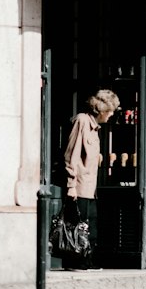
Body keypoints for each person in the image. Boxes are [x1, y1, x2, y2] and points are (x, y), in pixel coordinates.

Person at [62, 88, 120, 269]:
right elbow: (71, 154)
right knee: (78, 227)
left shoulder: (95, 128)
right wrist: (71, 185)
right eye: (110, 111)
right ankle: (76, 261)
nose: (111, 115)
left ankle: (86, 261)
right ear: (101, 110)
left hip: (90, 187)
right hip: (79, 186)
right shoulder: (82, 121)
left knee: (89, 227)